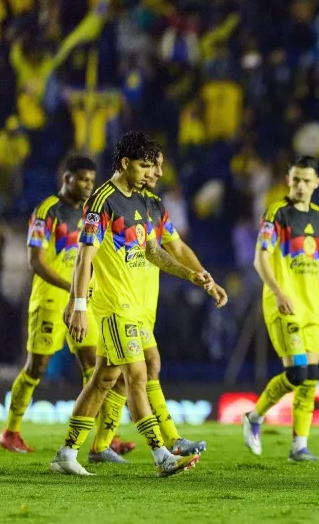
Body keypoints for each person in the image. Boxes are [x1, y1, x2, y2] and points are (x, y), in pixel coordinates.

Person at [50, 132, 217, 477]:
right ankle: (162, 454)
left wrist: (191, 274)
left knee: (104, 379)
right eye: (144, 166)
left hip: (139, 308)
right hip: (116, 305)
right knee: (137, 375)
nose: (152, 173)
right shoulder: (102, 201)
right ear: (125, 164)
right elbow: (84, 257)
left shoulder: (143, 201)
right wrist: (78, 305)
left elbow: (154, 252)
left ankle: (67, 453)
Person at [87, 149, 228, 461]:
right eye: (151, 166)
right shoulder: (109, 202)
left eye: (159, 166)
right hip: (118, 300)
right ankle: (168, 442)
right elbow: (90, 252)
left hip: (143, 301)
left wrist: (206, 279)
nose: (158, 173)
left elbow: (176, 247)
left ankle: (97, 447)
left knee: (115, 376)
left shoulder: (153, 206)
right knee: (143, 367)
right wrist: (80, 298)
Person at [0, 156, 107, 453]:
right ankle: (11, 431)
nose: (87, 185)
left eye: (91, 180)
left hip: (81, 302)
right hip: (50, 299)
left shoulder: (90, 213)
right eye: (82, 179)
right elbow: (36, 261)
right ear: (66, 177)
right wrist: (71, 288)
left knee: (93, 366)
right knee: (36, 367)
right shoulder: (46, 211)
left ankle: (104, 438)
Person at [241, 155, 319, 462]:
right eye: (296, 179)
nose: (300, 186)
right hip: (285, 305)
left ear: (316, 183)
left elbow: (317, 263)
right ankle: (254, 416)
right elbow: (260, 259)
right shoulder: (277, 213)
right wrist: (279, 292)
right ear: (288, 180)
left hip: (311, 308)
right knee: (296, 372)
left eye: (306, 180)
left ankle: (299, 446)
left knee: (310, 378)